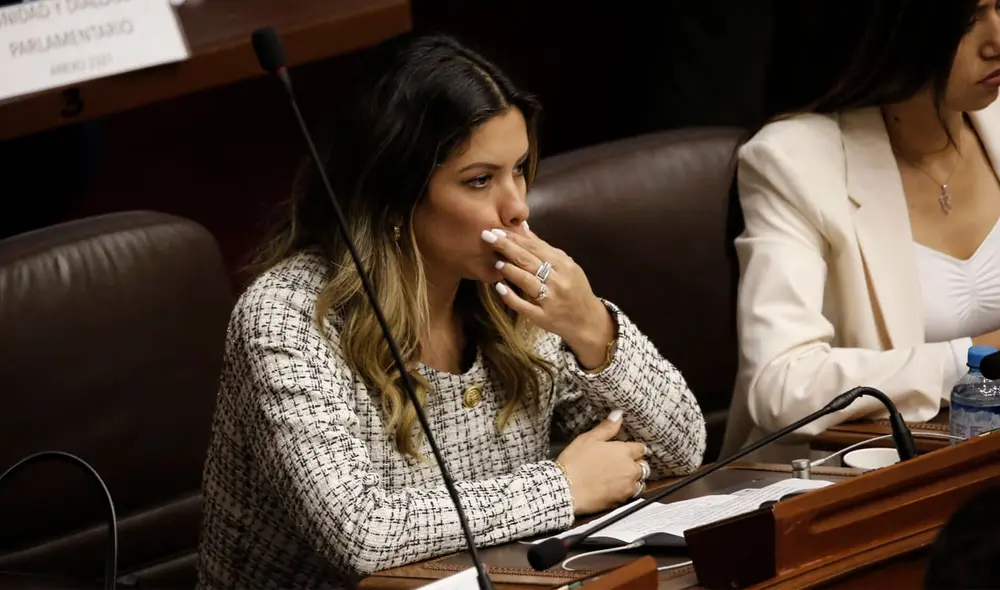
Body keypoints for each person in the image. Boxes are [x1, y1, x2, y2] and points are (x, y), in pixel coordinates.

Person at [196, 33, 706, 590]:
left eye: (519, 169)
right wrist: (561, 488)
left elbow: (681, 453)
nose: (518, 207)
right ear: (395, 196)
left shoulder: (509, 292)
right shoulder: (286, 317)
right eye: (480, 180)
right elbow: (362, 533)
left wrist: (591, 327)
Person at [724, 0, 1000, 461]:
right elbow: (781, 383)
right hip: (856, 472)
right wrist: (976, 359)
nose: (997, 41)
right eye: (969, 19)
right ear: (896, 28)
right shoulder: (792, 161)